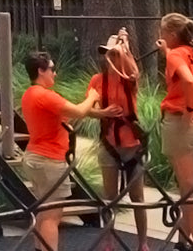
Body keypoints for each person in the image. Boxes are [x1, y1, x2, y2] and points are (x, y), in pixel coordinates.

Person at [21, 50, 119, 251]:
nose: (54, 74)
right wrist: (92, 95)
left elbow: (70, 113)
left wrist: (101, 113)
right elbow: (79, 111)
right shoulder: (45, 96)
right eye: (51, 69)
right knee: (52, 215)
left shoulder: (30, 94)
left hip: (35, 157)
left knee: (43, 210)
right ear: (41, 71)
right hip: (49, 160)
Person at [158, 13, 193, 251]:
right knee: (192, 191)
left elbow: (188, 80)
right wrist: (166, 53)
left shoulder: (176, 56)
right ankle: (183, 242)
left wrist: (188, 111)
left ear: (171, 35)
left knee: (191, 195)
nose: (160, 37)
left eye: (162, 33)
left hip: (183, 125)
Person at [90, 29, 148, 251]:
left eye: (116, 54)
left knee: (138, 197)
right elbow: (90, 108)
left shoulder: (129, 80)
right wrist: (103, 112)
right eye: (109, 54)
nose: (112, 58)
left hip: (132, 145)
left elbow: (133, 70)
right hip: (109, 144)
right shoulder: (98, 81)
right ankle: (108, 241)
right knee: (110, 197)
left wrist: (124, 44)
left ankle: (142, 243)